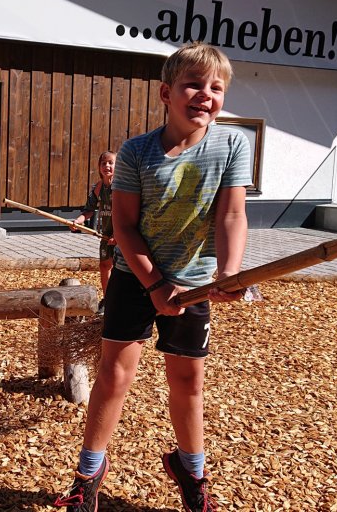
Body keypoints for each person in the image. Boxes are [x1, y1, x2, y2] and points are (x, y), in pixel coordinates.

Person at [55, 41, 252, 512]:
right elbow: (122, 226)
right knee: (113, 376)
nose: (205, 94)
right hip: (134, 278)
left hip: (196, 281)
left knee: (188, 381)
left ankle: (191, 469)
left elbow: (232, 217)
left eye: (216, 87)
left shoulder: (232, 144)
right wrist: (156, 285)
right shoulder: (138, 152)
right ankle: (88, 474)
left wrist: (228, 273)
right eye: (193, 85)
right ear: (166, 93)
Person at [70, 151, 117, 314]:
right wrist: (78, 221)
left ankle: (122, 302)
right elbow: (89, 210)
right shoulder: (98, 188)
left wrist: (118, 235)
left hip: (122, 235)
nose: (107, 166)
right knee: (105, 266)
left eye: (111, 162)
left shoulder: (121, 186)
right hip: (106, 235)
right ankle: (108, 300)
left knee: (122, 268)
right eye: (103, 163)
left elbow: (129, 212)